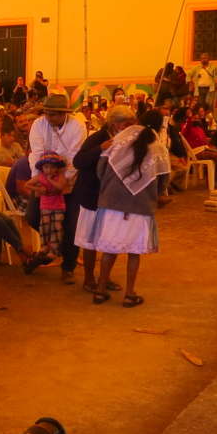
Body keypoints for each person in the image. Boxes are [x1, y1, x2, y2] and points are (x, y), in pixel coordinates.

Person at [87, 114, 166, 306]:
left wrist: (109, 187)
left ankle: (100, 290)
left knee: (109, 249)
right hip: (140, 205)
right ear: (160, 127)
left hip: (111, 203)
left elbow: (100, 169)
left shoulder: (118, 141)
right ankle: (130, 295)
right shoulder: (158, 149)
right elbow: (163, 179)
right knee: (133, 253)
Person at [72, 105, 136, 293]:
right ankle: (89, 279)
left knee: (111, 238)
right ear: (114, 123)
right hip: (91, 194)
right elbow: (79, 161)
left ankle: (104, 278)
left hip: (113, 197)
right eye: (126, 124)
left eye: (132, 124)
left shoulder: (128, 140)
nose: (130, 128)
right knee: (90, 240)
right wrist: (101, 148)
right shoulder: (98, 138)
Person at [28, 96, 85, 284]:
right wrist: (42, 182)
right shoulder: (38, 124)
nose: (48, 117)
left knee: (71, 226)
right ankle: (55, 247)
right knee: (33, 216)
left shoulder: (77, 127)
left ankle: (68, 267)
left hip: (69, 182)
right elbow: (36, 153)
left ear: (63, 114)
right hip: (44, 180)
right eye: (46, 113)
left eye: (52, 114)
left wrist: (61, 182)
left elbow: (73, 158)